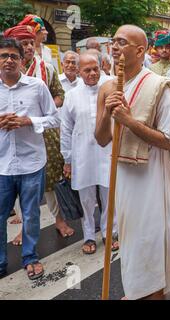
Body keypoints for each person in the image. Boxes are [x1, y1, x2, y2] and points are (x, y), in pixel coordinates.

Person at [95, 25, 170, 300]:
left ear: (140, 50)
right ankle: (137, 290)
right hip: (122, 175)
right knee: (130, 239)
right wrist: (107, 114)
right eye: (114, 41)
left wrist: (130, 122)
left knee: (149, 240)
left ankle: (151, 292)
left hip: (151, 177)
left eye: (123, 42)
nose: (115, 47)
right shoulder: (108, 86)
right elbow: (100, 139)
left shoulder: (159, 86)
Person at [4, 24, 74, 245]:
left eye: (30, 42)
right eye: (22, 43)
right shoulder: (5, 71)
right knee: (15, 185)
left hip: (45, 135)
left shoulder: (47, 69)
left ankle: (59, 220)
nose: (28, 47)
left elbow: (59, 96)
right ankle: (24, 225)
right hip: (9, 141)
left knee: (52, 179)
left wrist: (36, 112)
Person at [0, 37, 59, 280]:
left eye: (14, 56)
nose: (9, 60)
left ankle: (30, 257)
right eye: (4, 56)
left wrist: (28, 121)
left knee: (32, 213)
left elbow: (55, 119)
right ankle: (1, 262)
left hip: (32, 163)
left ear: (22, 60)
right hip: (2, 166)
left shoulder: (37, 86)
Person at [60, 53, 118, 255]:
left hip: (107, 151)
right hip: (82, 153)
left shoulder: (111, 86)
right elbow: (65, 130)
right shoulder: (72, 95)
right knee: (86, 198)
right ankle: (89, 236)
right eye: (87, 70)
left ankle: (109, 233)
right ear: (78, 71)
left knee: (109, 194)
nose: (93, 73)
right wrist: (67, 159)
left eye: (96, 68)